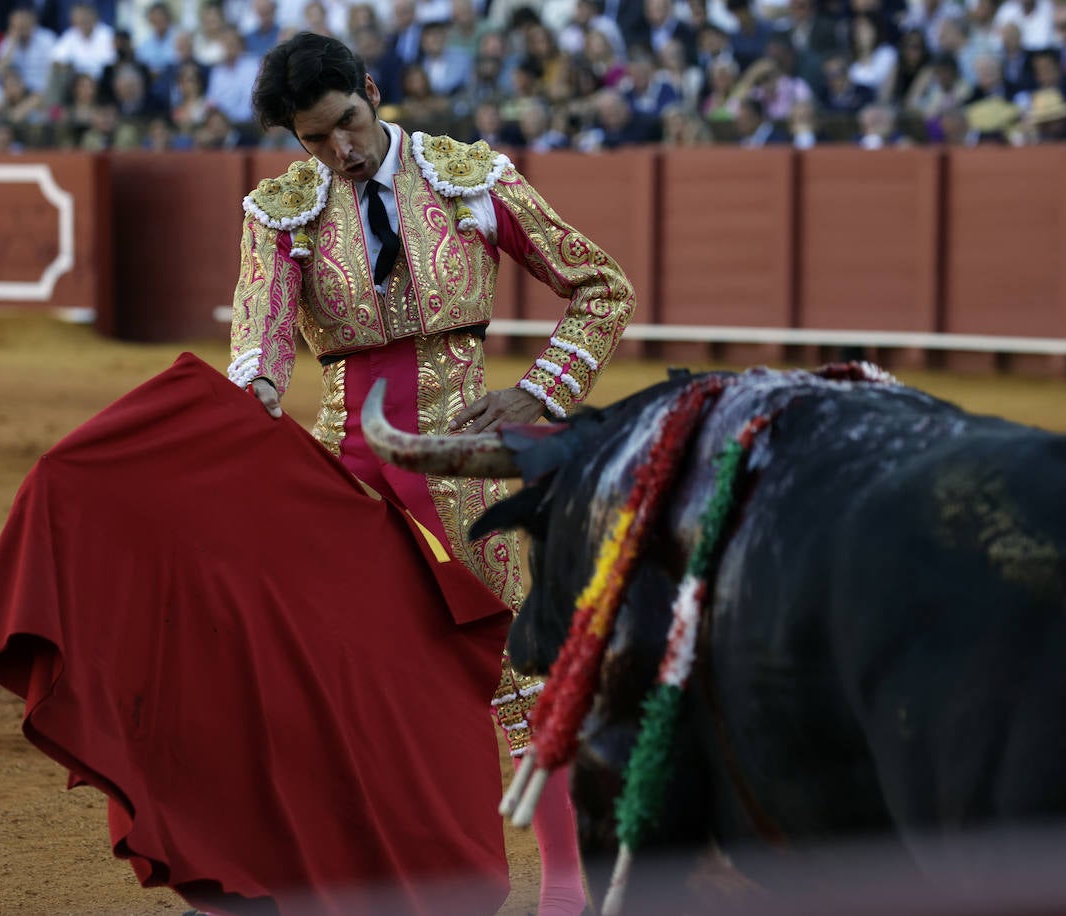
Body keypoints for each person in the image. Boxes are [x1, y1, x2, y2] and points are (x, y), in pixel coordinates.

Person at [228, 31, 636, 916]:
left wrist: (538, 391)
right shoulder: (279, 209)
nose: (339, 151)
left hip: (464, 463)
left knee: (522, 674)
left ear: (372, 91)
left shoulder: (469, 176)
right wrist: (253, 394)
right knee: (332, 685)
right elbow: (259, 342)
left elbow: (603, 286)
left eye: (346, 123)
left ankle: (564, 886)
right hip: (347, 477)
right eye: (313, 139)